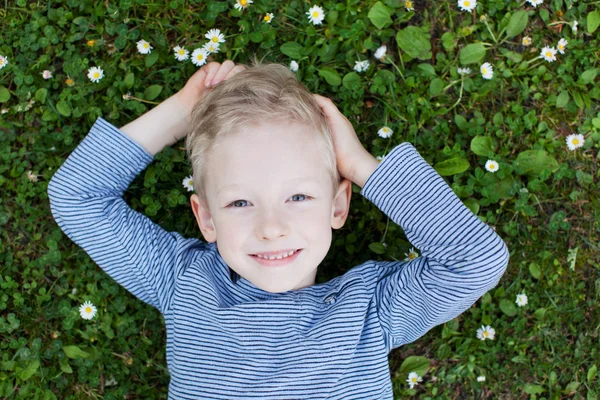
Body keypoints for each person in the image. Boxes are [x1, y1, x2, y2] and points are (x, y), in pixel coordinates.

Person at [48, 55, 509, 399]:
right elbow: (77, 199)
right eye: (241, 202)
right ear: (206, 217)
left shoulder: (369, 311)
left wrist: (361, 165)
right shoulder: (185, 283)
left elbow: (475, 261)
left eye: (299, 197)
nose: (271, 227)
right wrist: (182, 112)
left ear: (338, 206)